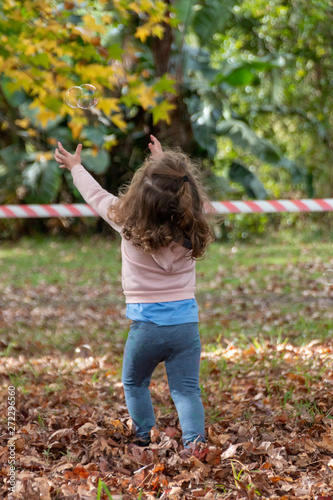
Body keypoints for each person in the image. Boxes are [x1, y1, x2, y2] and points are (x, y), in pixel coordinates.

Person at [54, 136, 214, 448]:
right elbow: (179, 191)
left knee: (134, 382)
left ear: (140, 197)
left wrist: (76, 168)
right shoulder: (192, 227)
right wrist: (164, 164)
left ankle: (144, 436)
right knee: (186, 390)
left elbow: (96, 196)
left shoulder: (127, 223)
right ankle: (195, 445)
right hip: (185, 328)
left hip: (146, 329)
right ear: (188, 195)